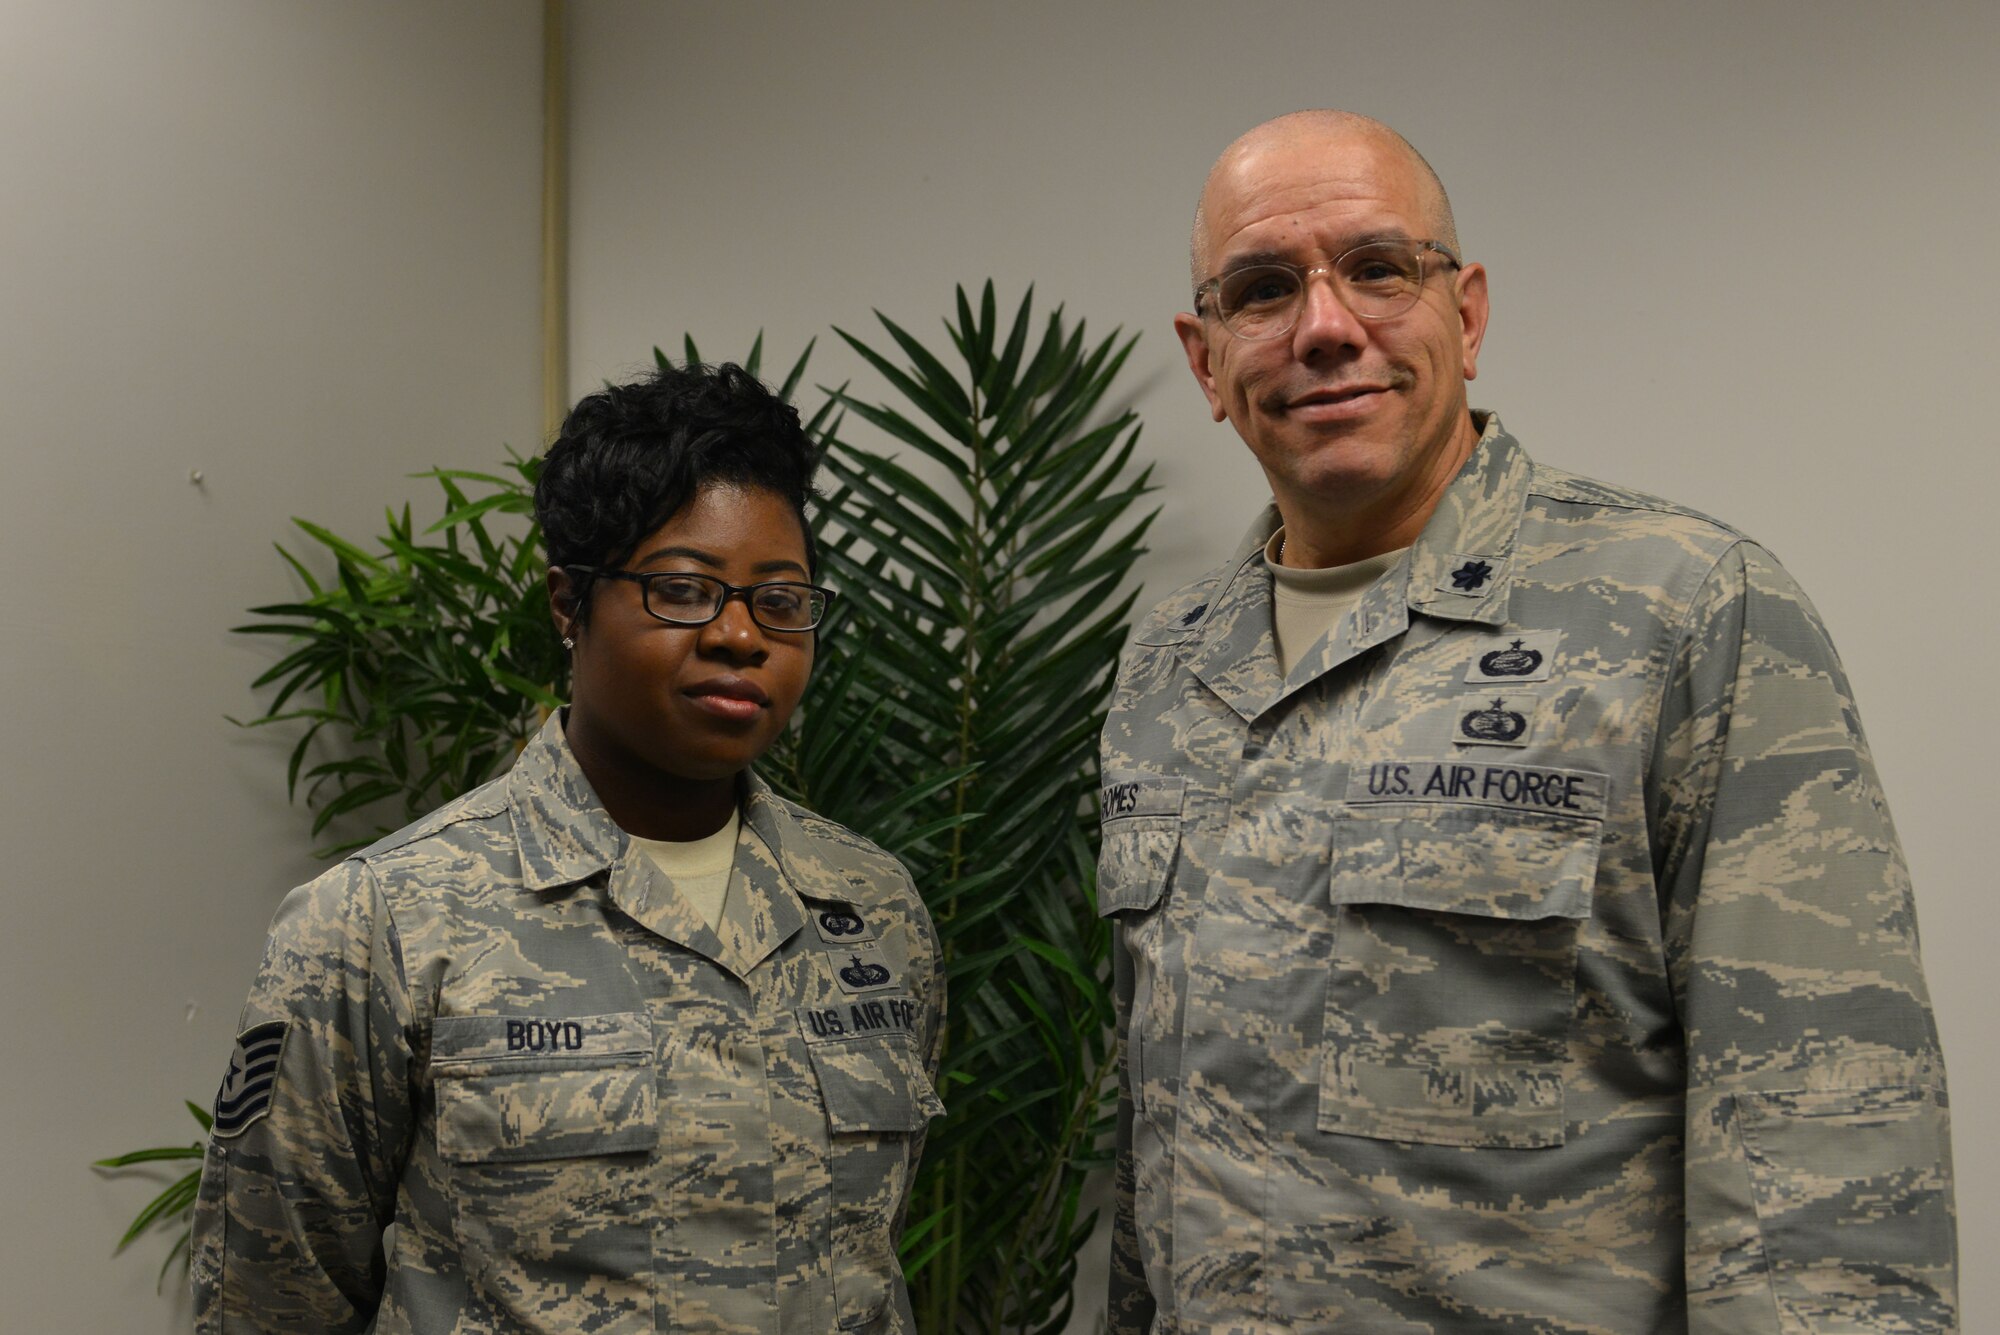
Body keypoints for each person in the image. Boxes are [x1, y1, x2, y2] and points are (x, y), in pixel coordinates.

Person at [1099, 110, 1954, 1333]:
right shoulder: (1160, 675)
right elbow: (1151, 1150)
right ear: (1204, 358)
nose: (1325, 327)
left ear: (1470, 312)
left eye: (1380, 269)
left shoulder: (1684, 610)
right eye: (1261, 289)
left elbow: (1820, 1144)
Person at [190, 362, 945, 1334]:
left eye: (781, 600)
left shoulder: (872, 907)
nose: (738, 635)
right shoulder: (383, 920)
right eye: (683, 590)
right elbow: (269, 1298)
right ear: (567, 603)